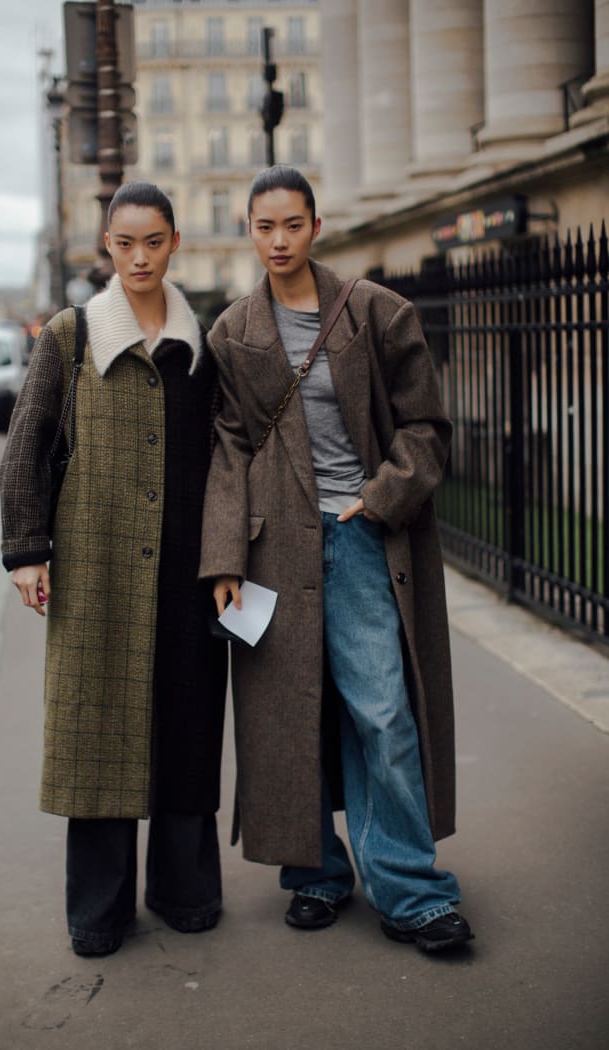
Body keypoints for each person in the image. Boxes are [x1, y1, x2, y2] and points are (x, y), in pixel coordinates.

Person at [199, 165, 474, 953]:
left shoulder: (378, 313)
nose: (278, 239)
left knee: (382, 712)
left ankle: (412, 891)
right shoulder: (232, 332)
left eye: (292, 223)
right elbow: (228, 452)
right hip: (270, 547)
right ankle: (315, 874)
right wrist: (222, 560)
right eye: (263, 226)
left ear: (316, 225)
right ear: (249, 232)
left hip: (357, 538)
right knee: (292, 715)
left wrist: (379, 497)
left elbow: (426, 429)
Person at [0, 181, 227, 957]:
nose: (139, 256)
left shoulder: (204, 347)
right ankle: (99, 911)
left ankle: (184, 890)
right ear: (107, 246)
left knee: (188, 724)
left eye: (153, 241)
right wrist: (28, 551)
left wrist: (227, 556)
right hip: (95, 565)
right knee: (98, 729)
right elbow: (25, 445)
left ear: (174, 243)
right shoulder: (71, 334)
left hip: (188, 566)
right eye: (124, 242)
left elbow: (228, 458)